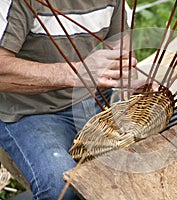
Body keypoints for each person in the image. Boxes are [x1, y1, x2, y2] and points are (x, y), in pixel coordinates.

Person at [0, 0, 135, 199]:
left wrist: (130, 82)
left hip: (92, 97)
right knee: (62, 187)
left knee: (167, 133)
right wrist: (77, 73)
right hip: (30, 110)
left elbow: (120, 51)